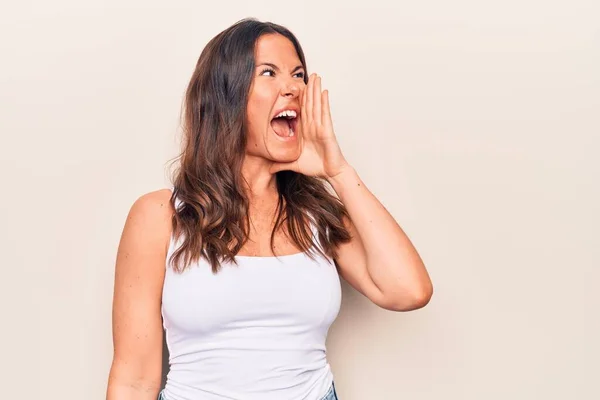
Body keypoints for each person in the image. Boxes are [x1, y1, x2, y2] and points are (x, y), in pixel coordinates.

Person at [105, 18, 433, 400]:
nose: (293, 87)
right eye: (269, 72)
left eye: (298, 74)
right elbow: (134, 379)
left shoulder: (316, 215)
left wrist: (338, 171)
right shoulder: (161, 216)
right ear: (226, 96)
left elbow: (409, 291)